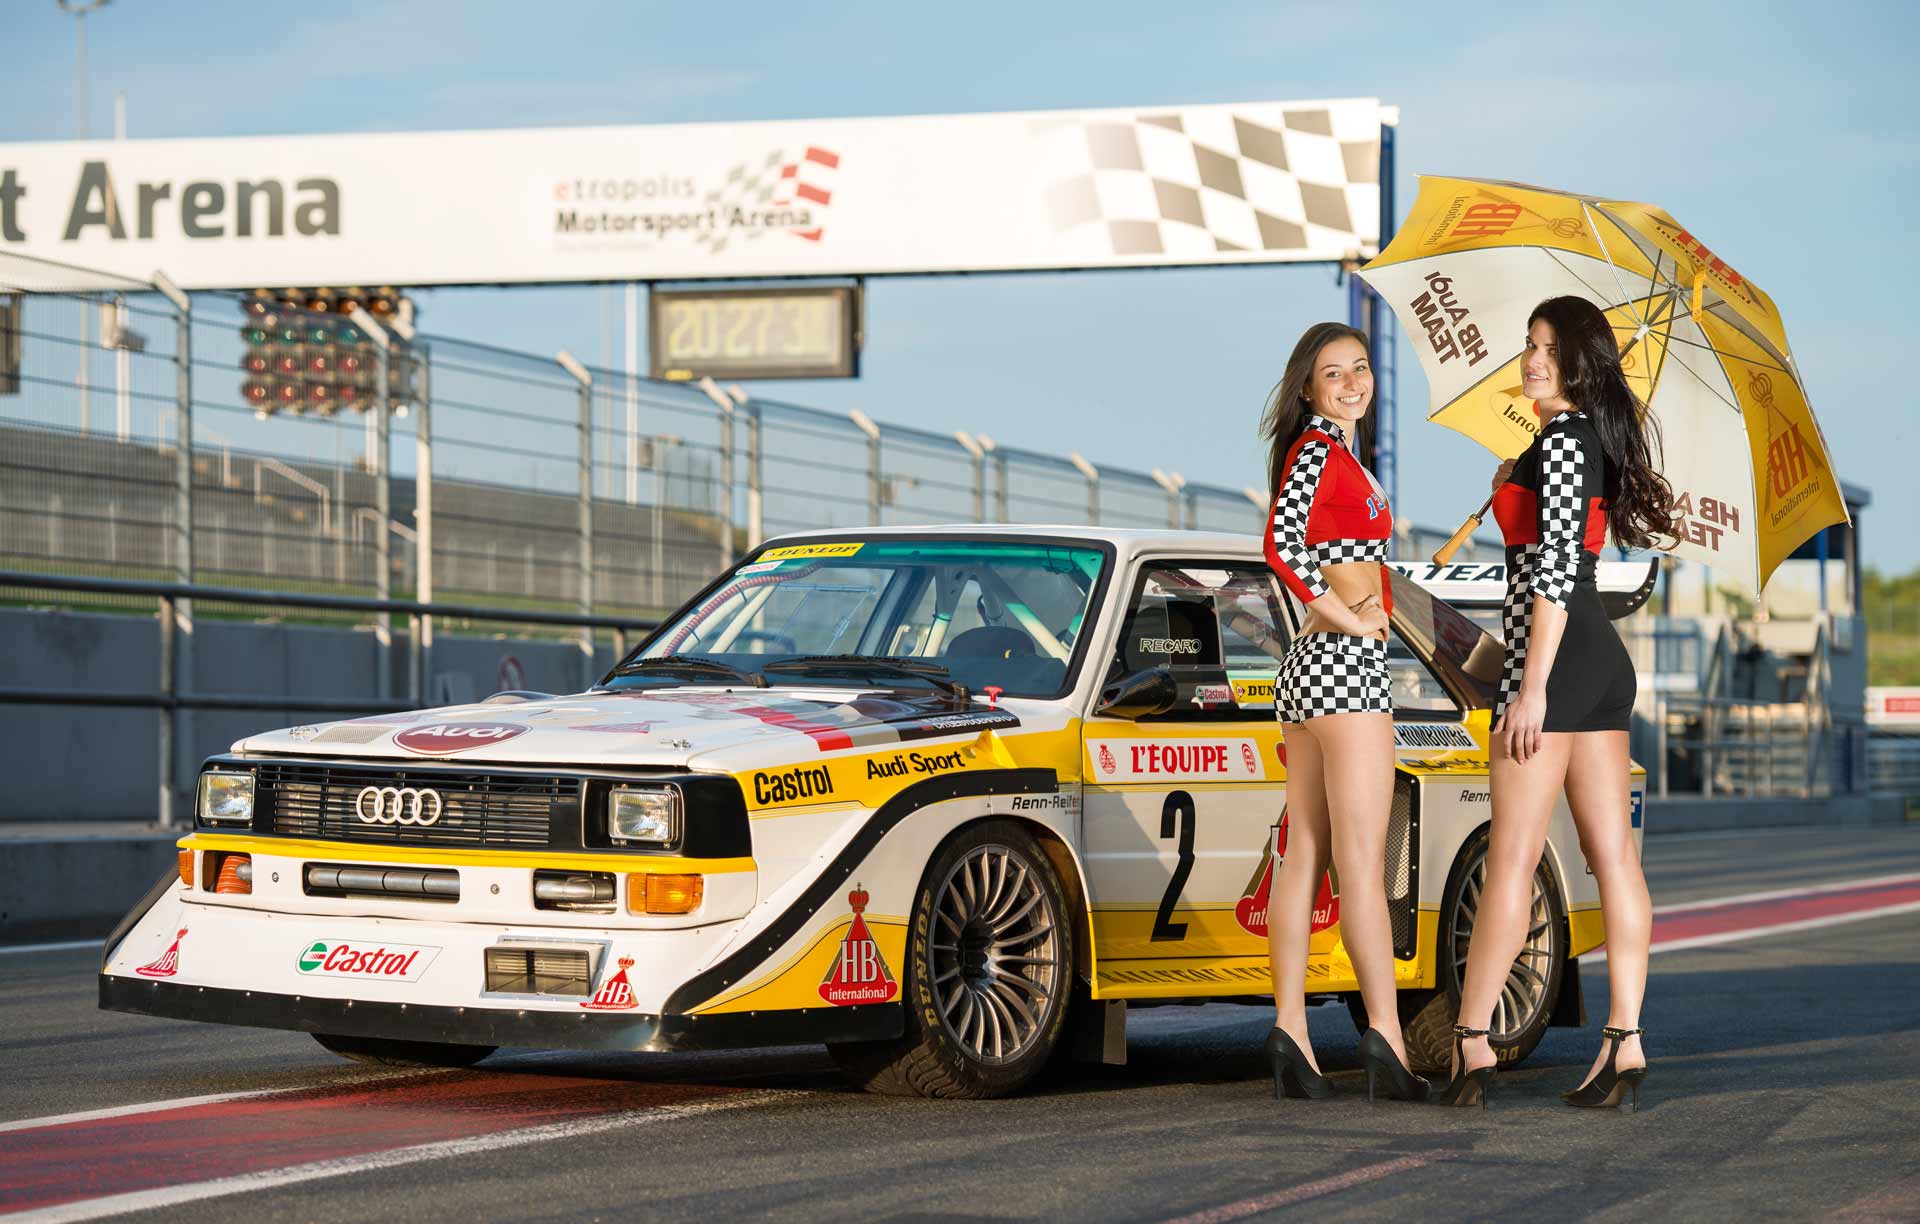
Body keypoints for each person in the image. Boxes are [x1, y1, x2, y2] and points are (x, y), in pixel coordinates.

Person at [1433, 295, 1675, 1110]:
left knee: (1513, 856)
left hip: (1559, 662)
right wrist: (1510, 485)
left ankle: (1471, 1042)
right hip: (1596, 661)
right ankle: (1624, 1042)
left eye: (1548, 347)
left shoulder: (1567, 440)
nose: (1532, 359)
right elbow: (1546, 546)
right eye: (1529, 344)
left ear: (1579, 361)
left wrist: (1530, 686)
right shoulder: (1569, 441)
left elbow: (1558, 568)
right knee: (1614, 859)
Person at [1259, 322, 1427, 1104]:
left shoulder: (1341, 457)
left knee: (1307, 855)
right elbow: (1280, 544)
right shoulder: (1319, 452)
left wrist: (1366, 607)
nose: (1353, 381)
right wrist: (1349, 619)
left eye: (1361, 367)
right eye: (1334, 373)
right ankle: (1387, 1039)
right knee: (1359, 863)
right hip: (1342, 671)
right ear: (1308, 387)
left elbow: (1331, 554)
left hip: (1313, 672)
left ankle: (1292, 1033)